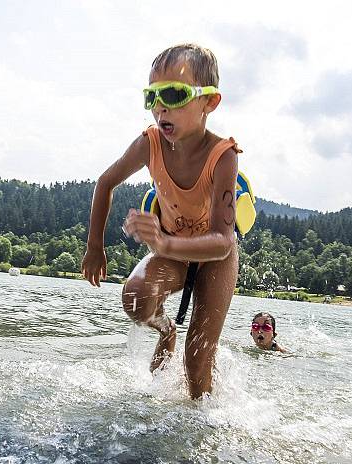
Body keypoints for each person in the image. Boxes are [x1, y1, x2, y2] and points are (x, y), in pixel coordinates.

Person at [82, 44, 240, 399]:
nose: (160, 107)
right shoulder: (149, 143)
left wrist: (166, 242)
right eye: (151, 96)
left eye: (173, 94)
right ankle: (166, 329)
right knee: (135, 300)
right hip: (172, 254)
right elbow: (105, 182)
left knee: (196, 360)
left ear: (209, 102)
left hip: (215, 259)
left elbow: (223, 240)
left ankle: (200, 430)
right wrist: (95, 246)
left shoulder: (223, 156)